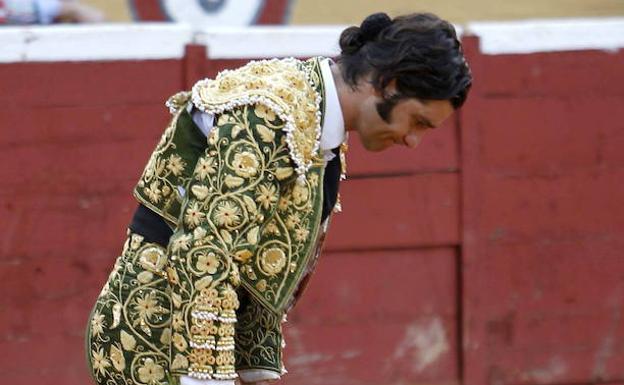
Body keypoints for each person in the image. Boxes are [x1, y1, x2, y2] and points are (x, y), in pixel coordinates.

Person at [85, 11, 472, 385]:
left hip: (193, 346)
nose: (412, 140)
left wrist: (256, 370)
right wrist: (207, 378)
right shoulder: (272, 111)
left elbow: (261, 262)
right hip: (154, 343)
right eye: (417, 120)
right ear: (389, 82)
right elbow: (205, 253)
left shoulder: (315, 117)